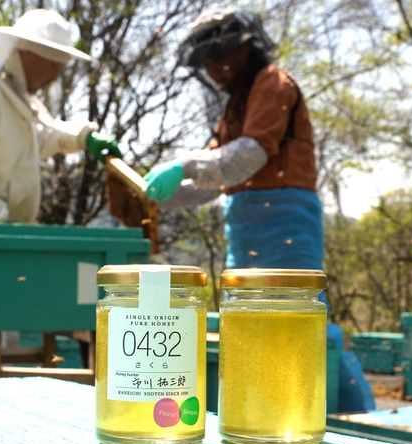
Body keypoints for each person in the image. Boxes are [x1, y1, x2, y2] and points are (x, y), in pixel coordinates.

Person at [144, 8, 374, 412]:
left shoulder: (273, 83)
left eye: (214, 59)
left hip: (287, 222)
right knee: (248, 322)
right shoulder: (234, 107)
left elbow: (249, 155)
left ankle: (351, 416)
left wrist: (183, 164)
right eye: (205, 63)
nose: (211, 70)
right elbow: (216, 179)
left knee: (299, 323)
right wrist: (159, 195)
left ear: (240, 50)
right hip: (244, 229)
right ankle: (268, 411)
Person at [0, 9, 121, 379]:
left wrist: (83, 137)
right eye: (54, 65)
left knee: (0, 349)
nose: (56, 76)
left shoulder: (10, 98)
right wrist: (1, 229)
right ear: (28, 54)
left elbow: (39, 137)